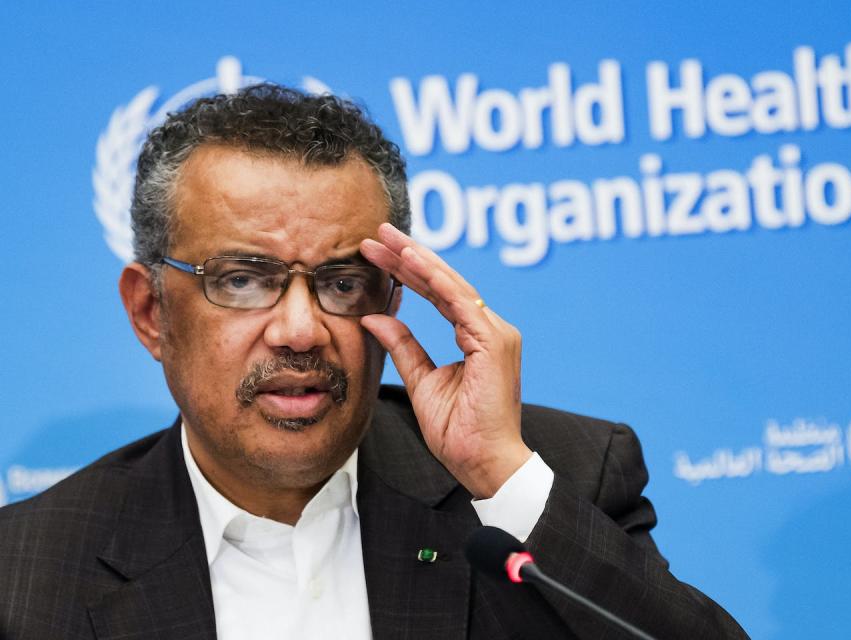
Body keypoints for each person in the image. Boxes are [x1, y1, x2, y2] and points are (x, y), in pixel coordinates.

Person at [0, 84, 748, 640]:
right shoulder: (27, 577)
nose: (300, 330)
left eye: (342, 282)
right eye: (243, 279)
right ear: (151, 313)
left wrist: (499, 478)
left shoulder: (558, 478)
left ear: (394, 295)